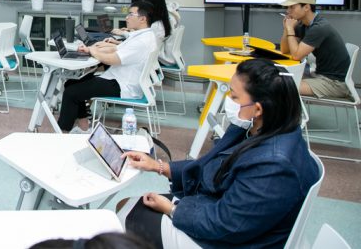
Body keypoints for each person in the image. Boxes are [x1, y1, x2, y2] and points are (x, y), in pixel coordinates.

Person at [120, 58, 319, 249]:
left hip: (232, 239)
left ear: (258, 109)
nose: (229, 100)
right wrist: (158, 166)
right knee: (128, 206)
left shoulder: (273, 164)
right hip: (220, 210)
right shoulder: (268, 128)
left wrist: (172, 210)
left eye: (234, 96)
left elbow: (227, 225)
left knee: (125, 217)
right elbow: (212, 165)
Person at [57, 0, 158, 133]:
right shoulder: (144, 35)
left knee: (71, 92)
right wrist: (91, 50)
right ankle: (84, 127)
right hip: (121, 79)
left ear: (143, 19)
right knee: (71, 83)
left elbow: (112, 60)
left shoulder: (141, 41)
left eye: (130, 14)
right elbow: (117, 49)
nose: (127, 17)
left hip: (122, 85)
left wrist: (93, 51)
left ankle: (62, 134)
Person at [280, 0, 351, 99]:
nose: (288, 11)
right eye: (287, 7)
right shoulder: (303, 25)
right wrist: (286, 28)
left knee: (281, 86)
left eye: (292, 7)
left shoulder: (319, 27)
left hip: (334, 83)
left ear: (306, 7)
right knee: (279, 79)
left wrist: (290, 29)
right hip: (320, 75)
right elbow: (285, 50)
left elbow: (296, 56)